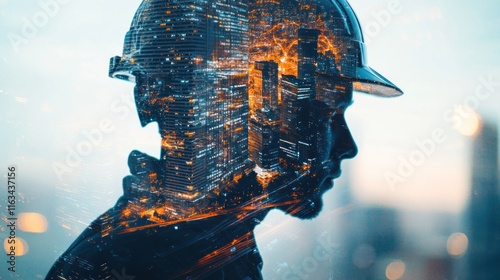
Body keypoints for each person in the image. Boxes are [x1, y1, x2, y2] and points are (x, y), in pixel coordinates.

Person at [46, 0, 402, 279]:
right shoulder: (157, 263)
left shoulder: (188, 250)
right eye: (324, 113)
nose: (348, 147)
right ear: (240, 113)